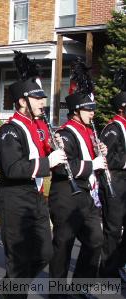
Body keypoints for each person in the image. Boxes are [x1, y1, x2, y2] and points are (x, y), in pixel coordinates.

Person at [0, 51, 66, 298]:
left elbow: (45, 151)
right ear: (23, 101)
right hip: (14, 198)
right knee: (18, 259)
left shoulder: (37, 128)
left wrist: (55, 147)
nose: (42, 102)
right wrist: (48, 161)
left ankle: (11, 287)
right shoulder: (9, 130)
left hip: (34, 197)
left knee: (45, 253)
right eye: (37, 98)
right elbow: (14, 168)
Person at [48, 59, 105, 295]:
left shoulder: (90, 132)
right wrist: (92, 163)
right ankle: (57, 291)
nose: (93, 113)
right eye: (89, 109)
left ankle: (80, 287)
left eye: (93, 108)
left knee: (95, 240)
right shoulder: (65, 133)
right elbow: (62, 167)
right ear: (77, 111)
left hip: (86, 195)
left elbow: (95, 164)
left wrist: (102, 154)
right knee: (63, 245)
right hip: (65, 195)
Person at [98, 68, 126, 281]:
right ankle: (108, 268)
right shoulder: (113, 128)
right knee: (113, 227)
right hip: (115, 180)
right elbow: (106, 157)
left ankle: (118, 262)